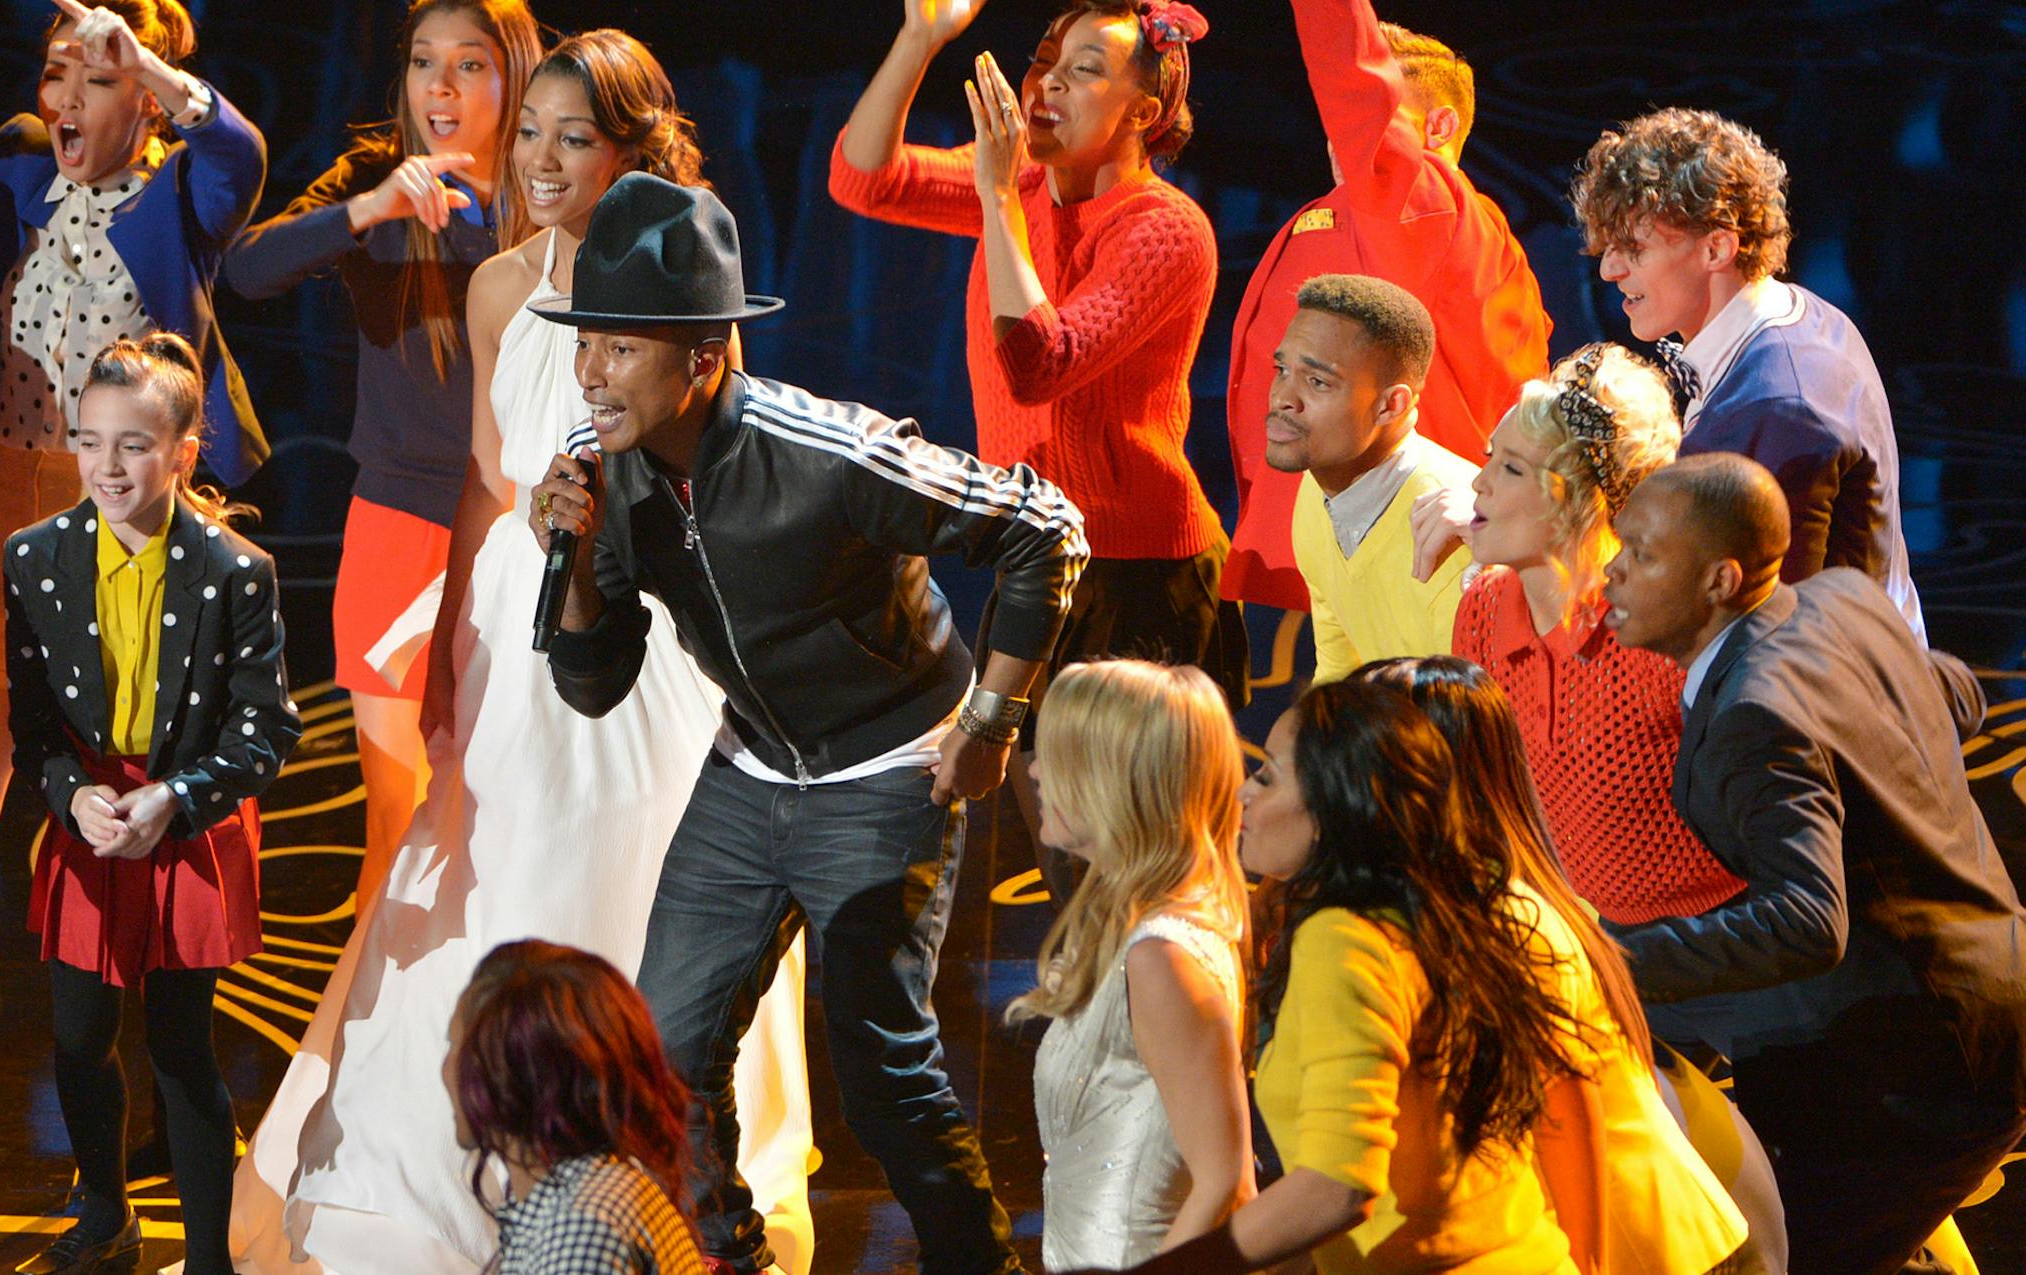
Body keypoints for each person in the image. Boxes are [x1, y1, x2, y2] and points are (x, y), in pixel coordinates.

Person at [229, 35, 814, 1275]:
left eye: (574, 139)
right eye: (532, 132)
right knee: (499, 846)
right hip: (513, 616)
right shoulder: (498, 284)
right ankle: (487, 1137)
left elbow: (715, 453)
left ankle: (636, 1156)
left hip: (639, 623)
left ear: (629, 151)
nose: (540, 161)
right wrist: (451, 642)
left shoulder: (681, 277)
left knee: (632, 862)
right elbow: (487, 486)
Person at [530, 172, 1088, 1275]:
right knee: (665, 1056)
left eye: (620, 349)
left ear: (703, 356)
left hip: (892, 764)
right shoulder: (607, 477)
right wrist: (581, 570)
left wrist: (992, 723)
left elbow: (1045, 529)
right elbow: (593, 685)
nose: (592, 374)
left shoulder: (828, 451)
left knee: (881, 1071)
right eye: (585, 344)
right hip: (753, 766)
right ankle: (726, 1261)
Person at [0, 0, 266, 1151]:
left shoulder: (184, 185)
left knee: (140, 831)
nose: (69, 101)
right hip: (3, 513)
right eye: (57, 76)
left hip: (134, 532)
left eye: (99, 79)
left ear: (144, 90)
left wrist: (144, 60)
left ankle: (170, 1094)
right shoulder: (10, 169)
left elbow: (241, 153)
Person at [830, 0, 1242, 903]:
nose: (1050, 80)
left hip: (1140, 582)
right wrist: (919, 37)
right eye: (1049, 59)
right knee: (1068, 860)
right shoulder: (1017, 188)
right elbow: (864, 180)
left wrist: (991, 195)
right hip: (1037, 559)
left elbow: (1037, 363)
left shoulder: (1166, 229)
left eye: (1087, 67)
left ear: (1146, 109)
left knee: (1142, 867)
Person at [1601, 453, 2026, 1274]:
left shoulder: (1756, 714)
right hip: (1962, 991)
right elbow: (1960, 692)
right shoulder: (1844, 599)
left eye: (1642, 555)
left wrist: (1607, 952)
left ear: (1720, 580)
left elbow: (1807, 921)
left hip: (1924, 1070)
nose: (1612, 573)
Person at [1069, 681, 1580, 1273]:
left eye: (1267, 778)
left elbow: (1337, 1187)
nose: (1241, 793)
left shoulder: (1345, 939)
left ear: (1338, 802)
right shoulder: (1434, 901)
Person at [223, 0, 542, 916]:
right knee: (396, 829)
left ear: (513, 74)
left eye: (469, 65)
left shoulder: (545, 181)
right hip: (398, 531)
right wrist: (372, 209)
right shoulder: (375, 177)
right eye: (421, 63)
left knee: (510, 815)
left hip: (521, 537)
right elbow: (246, 269)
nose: (439, 87)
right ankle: (377, 1050)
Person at [2, 334, 301, 1275]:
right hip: (90, 816)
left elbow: (267, 730)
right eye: (91, 440)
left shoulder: (234, 569)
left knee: (179, 1045)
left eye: (133, 443)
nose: (106, 465)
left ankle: (208, 1258)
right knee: (82, 1035)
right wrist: (74, 793)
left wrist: (177, 795)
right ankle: (105, 1206)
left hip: (183, 821)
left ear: (183, 449)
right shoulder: (35, 557)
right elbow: (33, 727)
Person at [1358, 656, 1766, 1275]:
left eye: (1345, 743)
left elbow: (1566, 1127)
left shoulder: (1504, 927)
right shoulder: (1434, 902)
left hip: (1651, 1245)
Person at [1221, 0, 1549, 612]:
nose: (1344, 126)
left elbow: (1350, 70)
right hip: (1351, 539)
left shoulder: (1430, 203)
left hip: (1397, 551)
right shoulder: (1374, 217)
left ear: (1439, 128)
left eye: (1374, 114)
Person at [1571, 107, 1924, 638]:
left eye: (1634, 250)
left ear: (1717, 247)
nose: (1609, 270)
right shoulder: (1805, 316)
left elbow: (1758, 636)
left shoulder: (1777, 406)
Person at [1453, 345, 1744, 924]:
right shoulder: (1482, 610)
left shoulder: (1659, 631)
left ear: (1579, 500)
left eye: (1510, 469)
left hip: (1708, 948)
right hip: (1570, 934)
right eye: (1490, 457)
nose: (1478, 482)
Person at [1011, 660, 1251, 1267]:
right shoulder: (1126, 925)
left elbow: (1227, 1185)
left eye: (1056, 755)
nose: (1035, 769)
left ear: (1111, 779)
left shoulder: (1162, 958)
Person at [445, 941, 706, 1275]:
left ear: (516, 1074)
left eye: (455, 1046)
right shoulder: (586, 1199)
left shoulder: (581, 1230)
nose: (445, 1068)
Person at [1266, 274, 1475, 683]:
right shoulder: (1317, 487)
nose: (1282, 398)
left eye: (1317, 381)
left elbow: (1473, 721)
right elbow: (1338, 676)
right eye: (1281, 369)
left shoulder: (1457, 532)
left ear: (1390, 406)